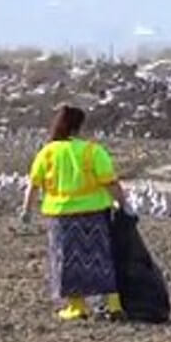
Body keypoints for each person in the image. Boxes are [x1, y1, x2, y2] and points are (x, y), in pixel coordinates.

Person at [20, 104, 128, 321]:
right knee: (102, 258)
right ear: (80, 126)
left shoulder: (48, 152)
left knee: (68, 260)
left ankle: (77, 307)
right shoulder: (93, 151)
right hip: (95, 213)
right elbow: (110, 182)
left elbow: (34, 184)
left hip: (62, 216)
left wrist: (26, 210)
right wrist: (122, 204)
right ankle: (114, 305)